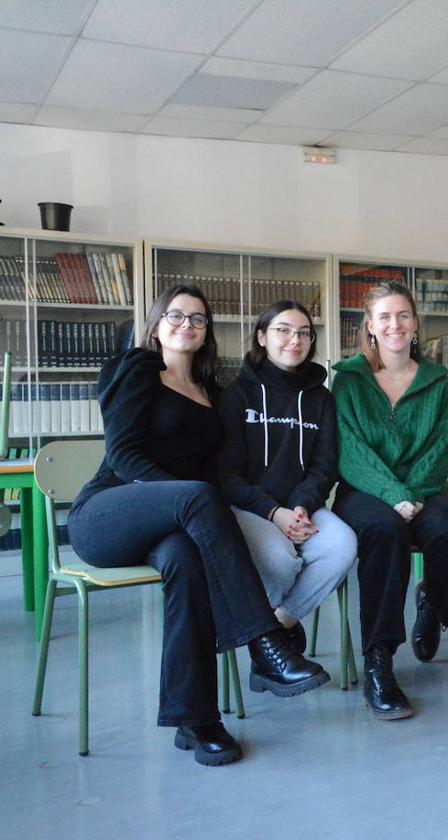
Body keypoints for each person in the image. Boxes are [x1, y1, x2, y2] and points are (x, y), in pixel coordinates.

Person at [68, 286, 328, 767]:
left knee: (187, 567)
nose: (187, 325)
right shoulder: (137, 370)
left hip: (173, 527)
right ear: (156, 322)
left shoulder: (213, 392)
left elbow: (217, 469)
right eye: (176, 315)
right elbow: (124, 457)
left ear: (208, 332)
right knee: (199, 496)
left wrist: (207, 506)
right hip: (108, 513)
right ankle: (265, 640)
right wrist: (185, 500)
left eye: (198, 319)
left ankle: (196, 720)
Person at [332, 281, 448, 719]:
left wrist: (411, 494)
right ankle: (379, 660)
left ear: (415, 324)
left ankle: (432, 603)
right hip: (363, 492)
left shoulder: (435, 381)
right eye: (384, 317)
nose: (394, 325)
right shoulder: (349, 379)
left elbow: (438, 449)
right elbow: (350, 450)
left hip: (423, 488)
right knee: (384, 532)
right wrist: (394, 496)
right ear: (370, 327)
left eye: (402, 316)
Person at [218, 300, 357, 657]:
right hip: (248, 508)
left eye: (304, 333)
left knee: (342, 543)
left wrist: (299, 506)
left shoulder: (321, 399)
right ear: (262, 337)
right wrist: (273, 512)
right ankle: (273, 643)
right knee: (281, 561)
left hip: (301, 509)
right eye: (283, 330)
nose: (294, 340)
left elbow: (325, 467)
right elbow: (225, 473)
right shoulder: (236, 395)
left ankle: (278, 626)